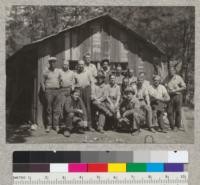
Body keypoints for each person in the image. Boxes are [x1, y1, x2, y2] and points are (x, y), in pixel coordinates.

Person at [41, 57, 62, 133]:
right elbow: (42, 82)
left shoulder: (58, 71)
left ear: (56, 63)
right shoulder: (46, 71)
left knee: (56, 109)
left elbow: (61, 79)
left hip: (57, 91)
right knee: (49, 109)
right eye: (51, 62)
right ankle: (49, 125)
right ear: (49, 63)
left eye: (54, 62)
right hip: (49, 91)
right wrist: (45, 90)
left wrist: (60, 84)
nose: (53, 63)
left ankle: (56, 125)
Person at [74, 60, 94, 131]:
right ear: (78, 65)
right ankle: (81, 126)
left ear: (84, 65)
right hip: (79, 90)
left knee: (88, 107)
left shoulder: (88, 71)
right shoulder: (75, 73)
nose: (81, 66)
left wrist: (92, 93)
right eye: (79, 64)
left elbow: (92, 82)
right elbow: (73, 83)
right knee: (80, 107)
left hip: (87, 89)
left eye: (82, 64)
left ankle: (89, 125)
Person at [166, 67, 186, 131]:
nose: (170, 72)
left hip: (178, 96)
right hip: (170, 96)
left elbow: (184, 87)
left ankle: (177, 126)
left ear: (175, 71)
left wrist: (175, 90)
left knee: (178, 111)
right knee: (169, 112)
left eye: (172, 71)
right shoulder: (166, 78)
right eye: (169, 71)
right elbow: (163, 84)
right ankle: (172, 126)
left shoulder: (178, 77)